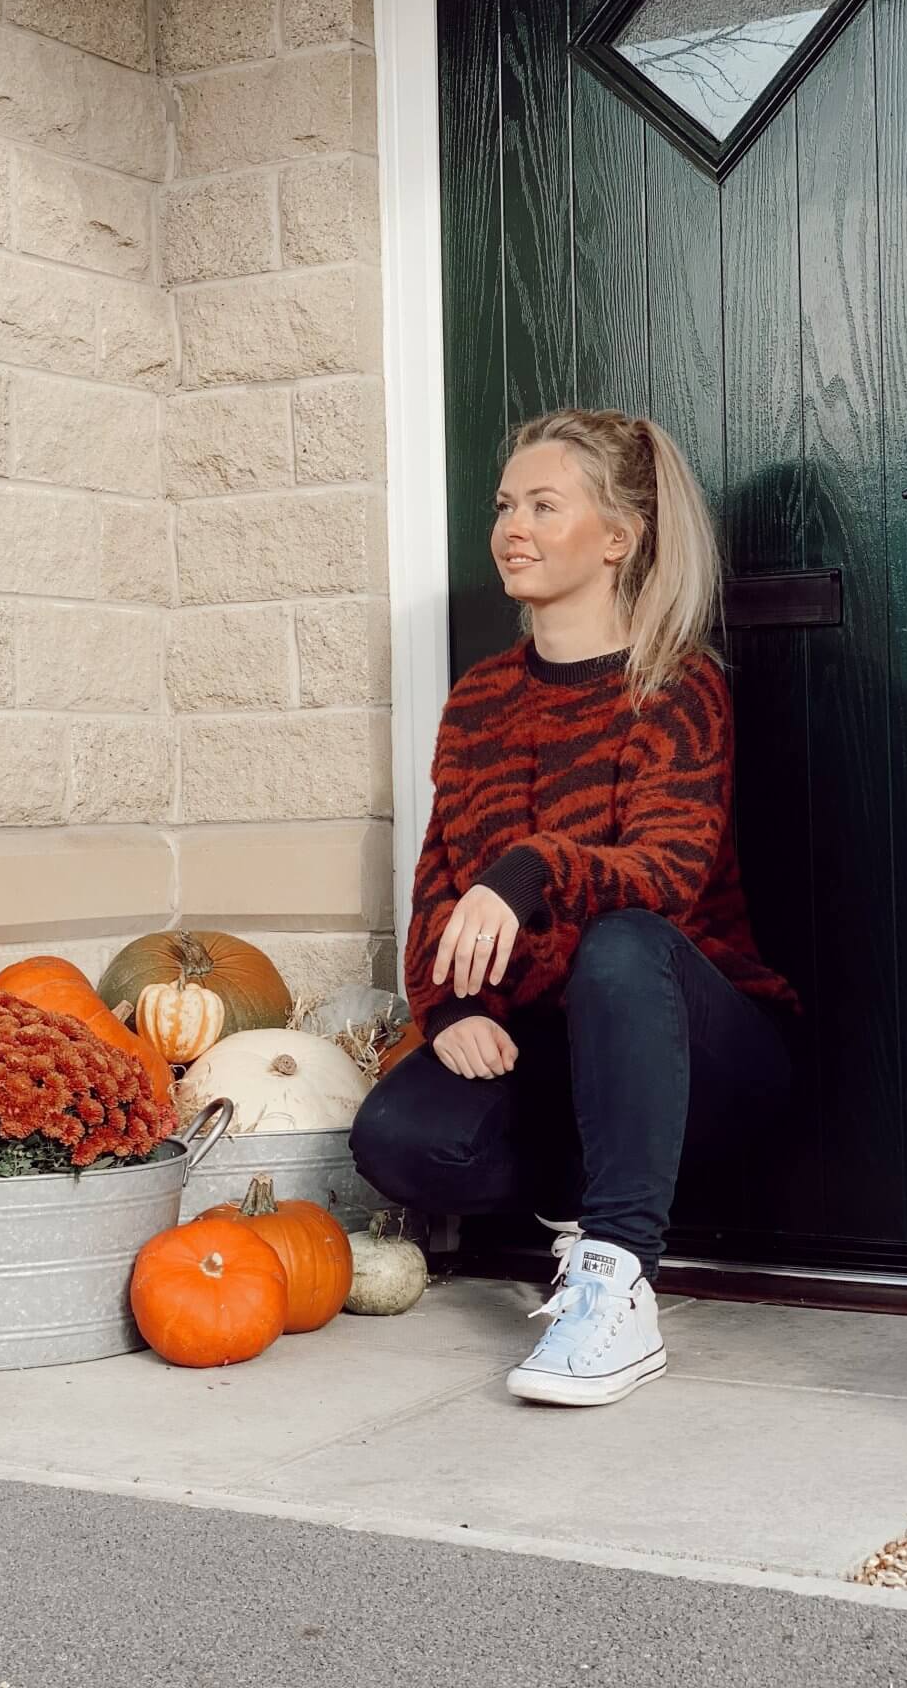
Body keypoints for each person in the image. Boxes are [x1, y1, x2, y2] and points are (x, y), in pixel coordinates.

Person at [349, 409, 799, 1408]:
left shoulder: (676, 687)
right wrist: (450, 1007)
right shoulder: (478, 700)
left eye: (546, 506)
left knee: (623, 945)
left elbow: (665, 876)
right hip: (551, 1043)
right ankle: (578, 1203)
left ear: (618, 536)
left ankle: (619, 1279)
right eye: (506, 504)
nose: (514, 525)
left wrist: (529, 869)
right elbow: (438, 883)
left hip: (709, 1049)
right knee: (395, 1137)